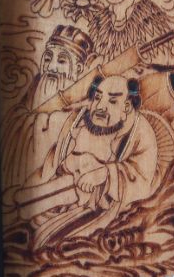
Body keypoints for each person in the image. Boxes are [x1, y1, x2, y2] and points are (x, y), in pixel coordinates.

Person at [13, 75, 160, 248]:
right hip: (60, 191)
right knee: (22, 214)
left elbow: (142, 182)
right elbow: (53, 162)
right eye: (97, 98)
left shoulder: (141, 132)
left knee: (47, 240)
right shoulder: (78, 119)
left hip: (100, 209)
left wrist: (105, 174)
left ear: (126, 107)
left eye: (112, 101)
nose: (100, 106)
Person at [1, 25, 94, 190]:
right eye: (48, 58)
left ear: (78, 69)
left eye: (62, 61)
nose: (52, 67)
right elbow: (16, 115)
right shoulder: (37, 83)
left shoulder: (85, 99)